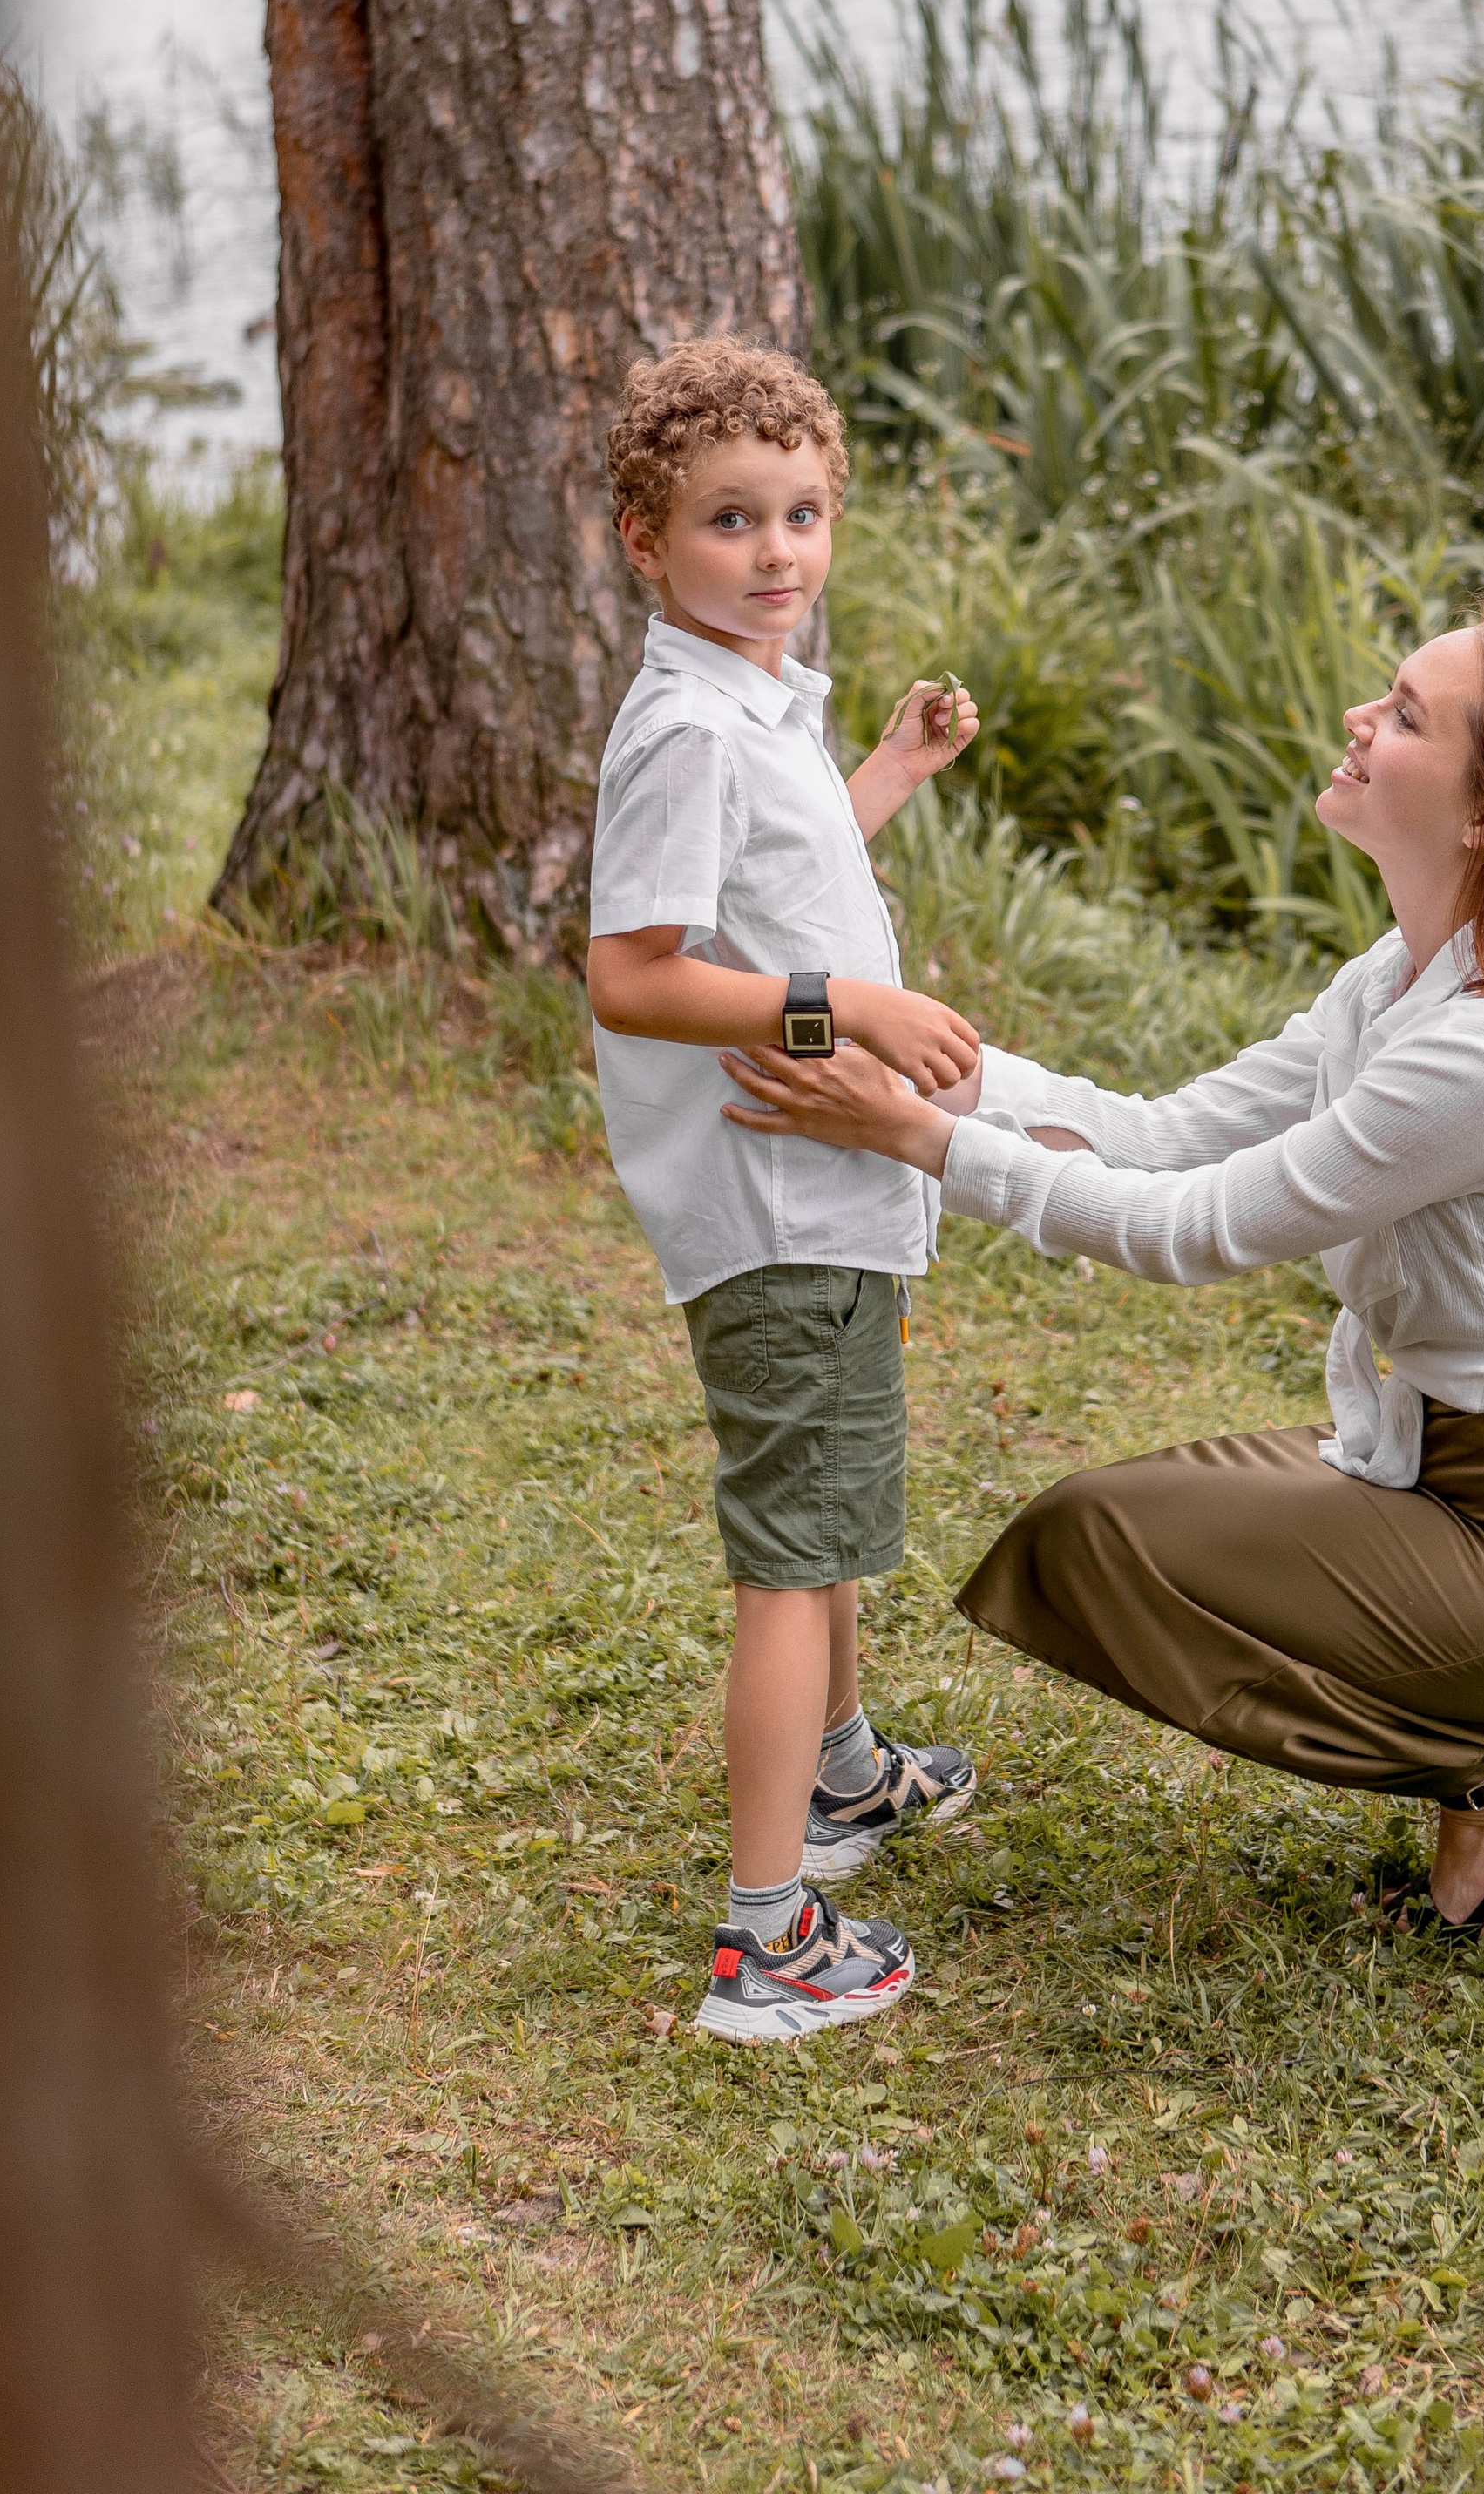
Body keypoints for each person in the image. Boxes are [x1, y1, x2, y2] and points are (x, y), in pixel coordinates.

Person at [719, 613, 1484, 1962]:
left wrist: (914, 1139)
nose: (1366, 722)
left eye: (1411, 716)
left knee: (1109, 1556)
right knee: (1094, 1536)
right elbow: (1166, 1135)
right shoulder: (1403, 981)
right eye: (1387, 693)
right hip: (1464, 1474)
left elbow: (1193, 1228)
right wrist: (933, 1067)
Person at [586, 338, 987, 2045]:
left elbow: (770, 874)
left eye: (802, 513)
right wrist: (851, 1012)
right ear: (642, 541)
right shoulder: (682, 721)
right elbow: (632, 970)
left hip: (820, 1193)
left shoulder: (753, 704)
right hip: (770, 1198)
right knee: (784, 1554)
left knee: (822, 1523)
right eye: (730, 520)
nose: (776, 552)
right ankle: (765, 1939)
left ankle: (840, 1779)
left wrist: (881, 781)